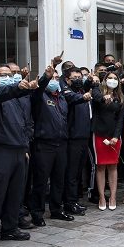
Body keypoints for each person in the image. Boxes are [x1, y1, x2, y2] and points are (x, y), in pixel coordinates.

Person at [0, 65, 36, 247]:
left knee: (15, 193)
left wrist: (25, 145)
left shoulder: (15, 98)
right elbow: (2, 93)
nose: (8, 78)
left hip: (19, 149)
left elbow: (24, 122)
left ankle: (9, 228)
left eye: (10, 75)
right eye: (3, 75)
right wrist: (16, 87)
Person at [29, 66, 89, 226]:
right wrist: (45, 78)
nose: (54, 81)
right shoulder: (39, 95)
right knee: (41, 181)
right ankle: (37, 213)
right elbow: (39, 88)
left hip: (61, 143)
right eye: (51, 78)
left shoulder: (61, 97)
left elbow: (74, 101)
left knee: (59, 179)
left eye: (56, 79)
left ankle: (56, 209)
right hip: (44, 144)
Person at [91, 72, 124, 210]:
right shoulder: (98, 92)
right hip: (99, 134)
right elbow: (96, 96)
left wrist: (116, 136)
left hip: (114, 136)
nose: (112, 80)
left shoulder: (121, 98)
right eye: (109, 78)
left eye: (115, 78)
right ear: (104, 80)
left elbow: (120, 120)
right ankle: (101, 197)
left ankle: (112, 196)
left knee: (113, 166)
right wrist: (104, 98)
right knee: (100, 167)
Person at [63, 67, 92, 215]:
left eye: (80, 76)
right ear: (68, 79)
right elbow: (72, 99)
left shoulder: (80, 90)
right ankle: (69, 203)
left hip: (83, 137)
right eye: (75, 77)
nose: (79, 79)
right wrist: (83, 97)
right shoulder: (67, 92)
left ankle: (74, 200)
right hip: (73, 138)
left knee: (78, 172)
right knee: (71, 173)